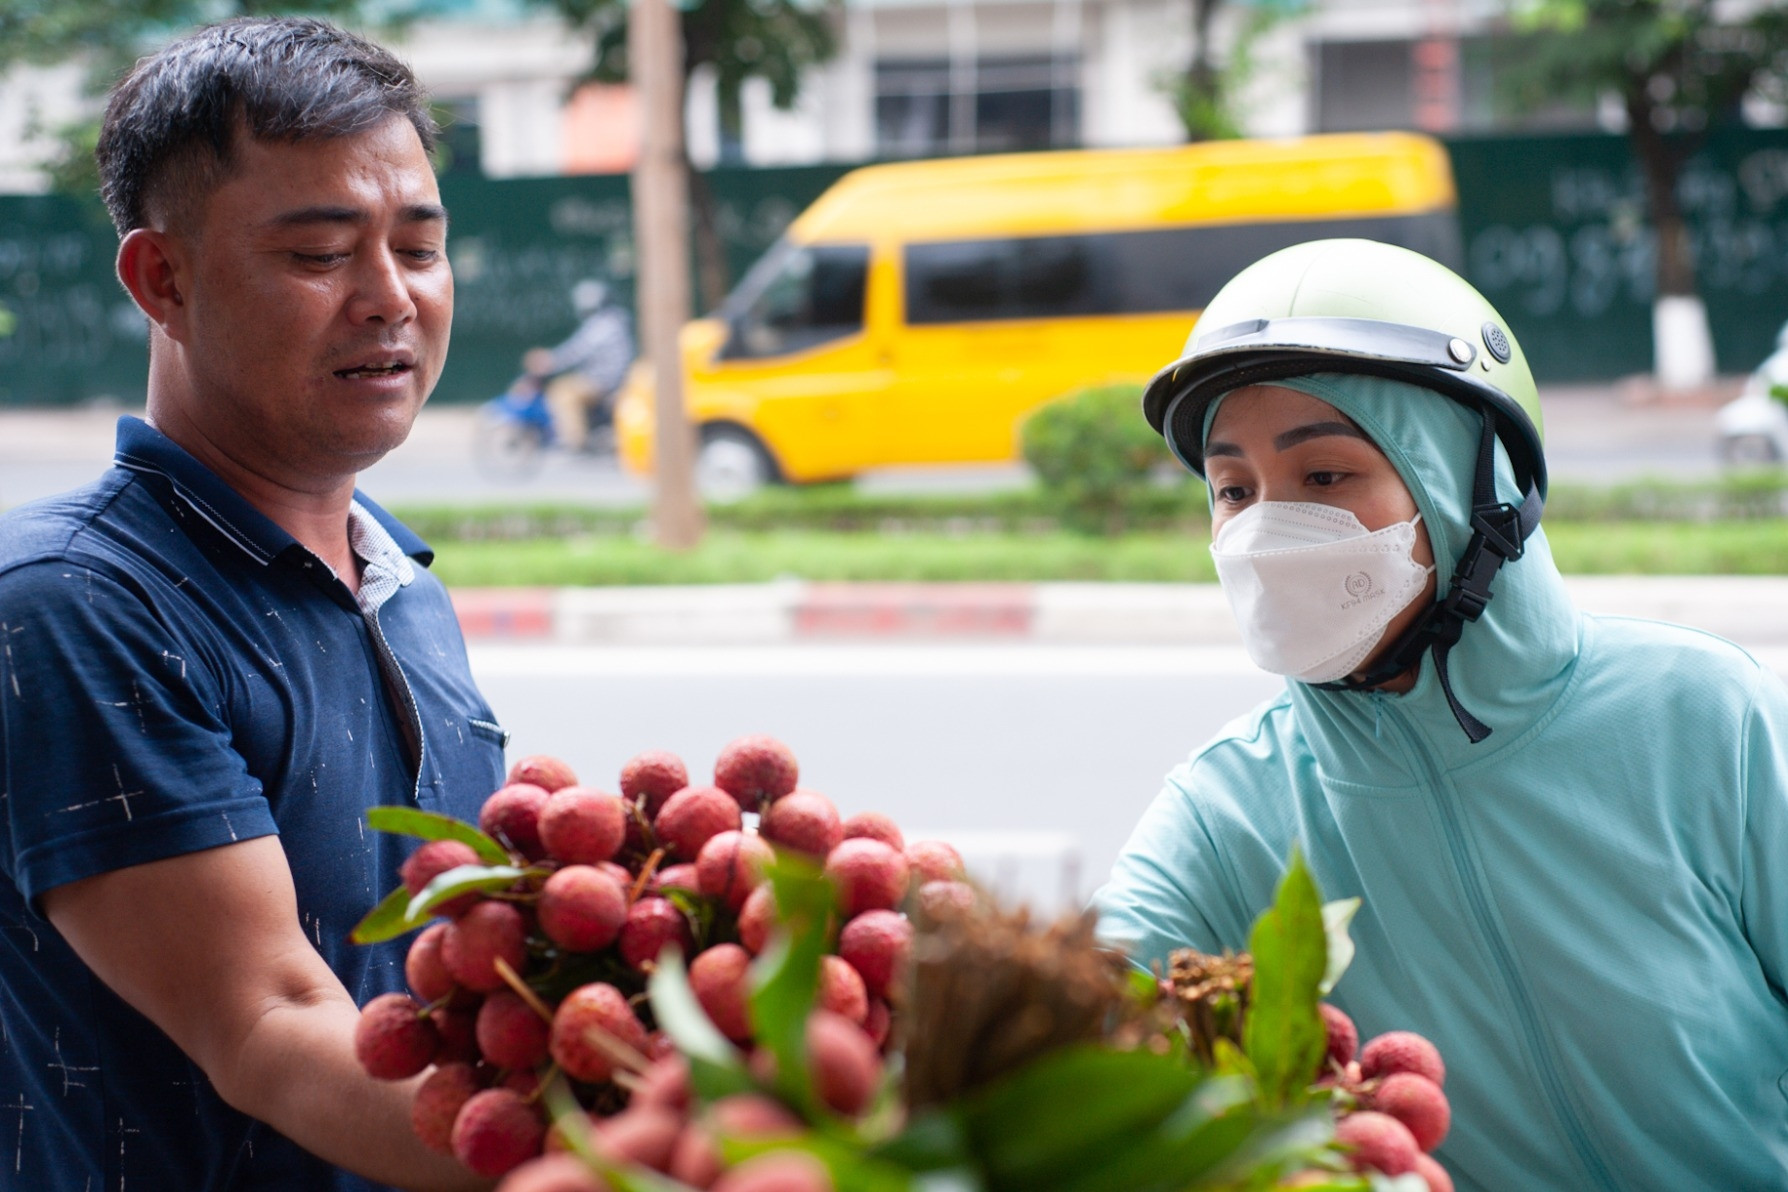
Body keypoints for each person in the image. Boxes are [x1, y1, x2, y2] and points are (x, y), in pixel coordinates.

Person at [1093, 239, 1788, 1192]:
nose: (1263, 533)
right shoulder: (1227, 814)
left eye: (1326, 478)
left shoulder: (1708, 719)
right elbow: (1075, 1030)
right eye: (1233, 491)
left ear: (1480, 492)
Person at [0, 18, 506, 1191]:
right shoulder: (73, 606)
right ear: (161, 279)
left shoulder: (403, 586)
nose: (390, 299)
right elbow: (270, 1023)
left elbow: (450, 981)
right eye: (322, 254)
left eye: (419, 248)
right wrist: (628, 1147)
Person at [523, 277, 635, 452]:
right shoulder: (612, 321)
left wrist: (550, 361)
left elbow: (577, 351)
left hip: (603, 382)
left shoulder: (604, 324)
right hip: (606, 378)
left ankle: (575, 440)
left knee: (561, 391)